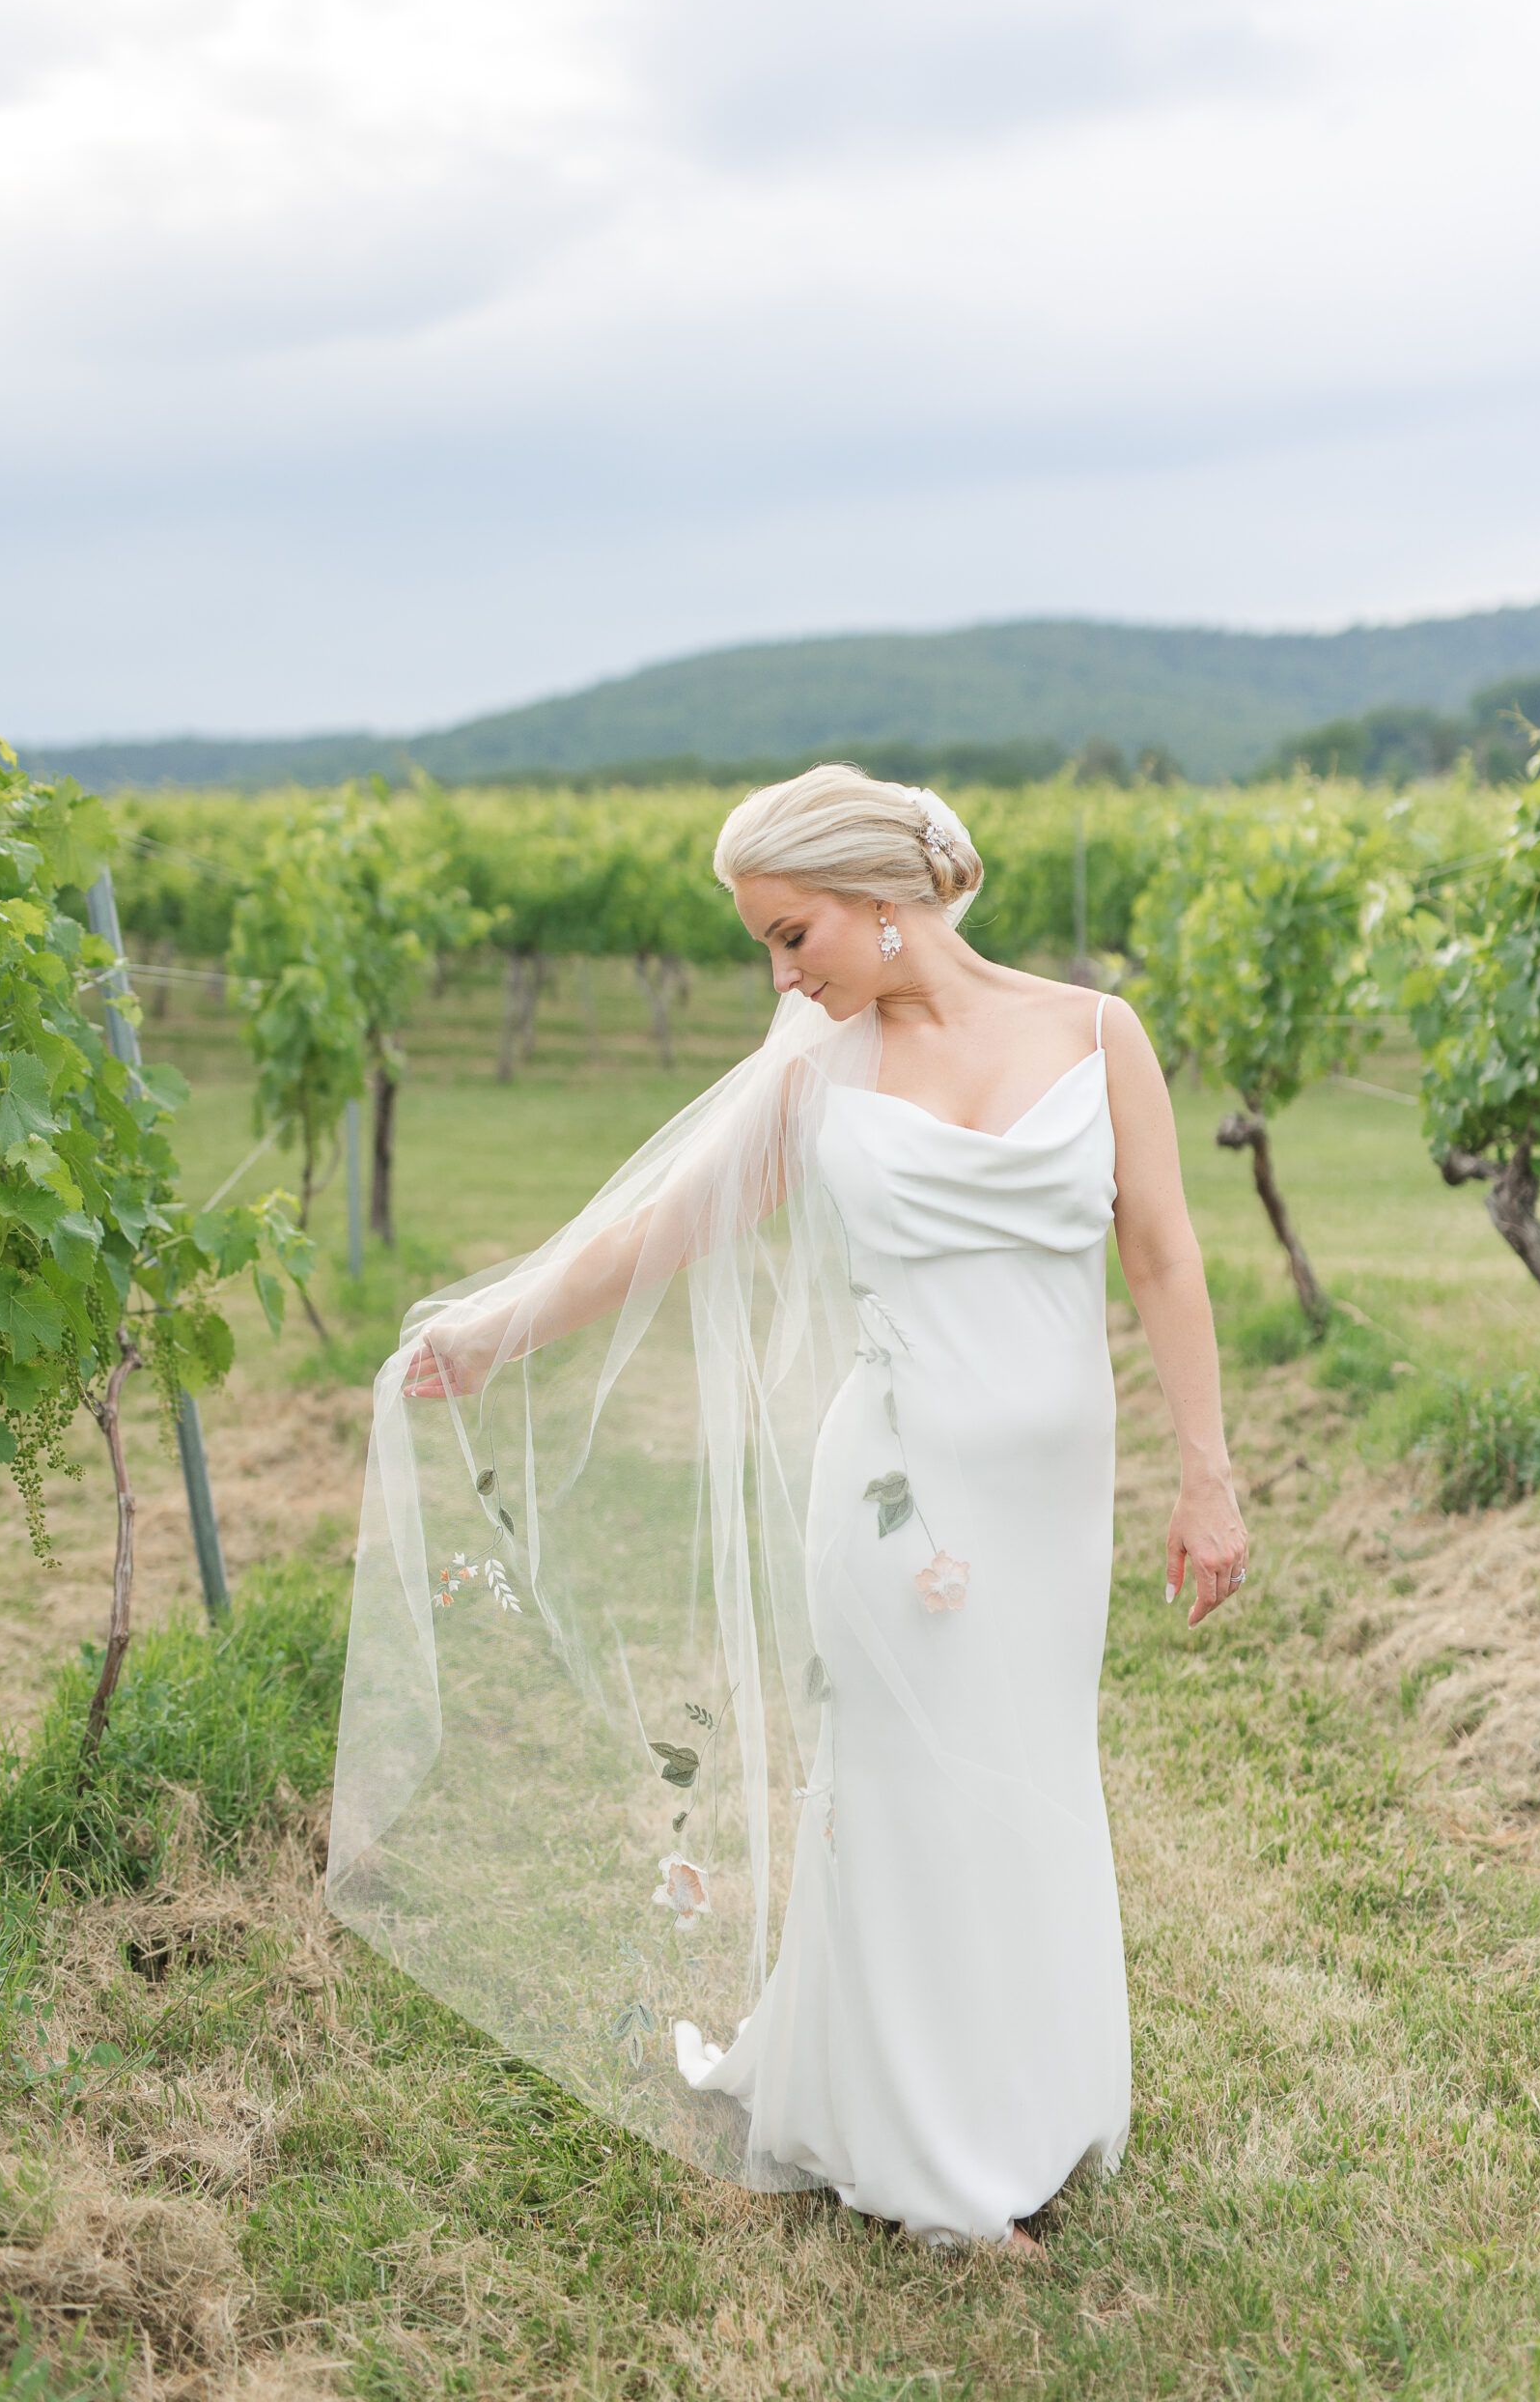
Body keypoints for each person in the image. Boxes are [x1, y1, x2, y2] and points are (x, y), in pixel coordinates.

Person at [326, 763, 1247, 2262]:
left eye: (792, 933)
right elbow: (657, 1227)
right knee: (910, 1796)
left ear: (885, 905)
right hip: (895, 1504)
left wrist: (1205, 1468)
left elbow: (1164, 1252)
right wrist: (494, 1331)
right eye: (766, 942)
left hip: (1055, 1505)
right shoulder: (819, 1069)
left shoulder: (1098, 1033)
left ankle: (1017, 2098)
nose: (781, 972)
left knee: (1024, 1777)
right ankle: (938, 2169)